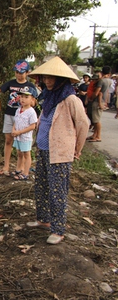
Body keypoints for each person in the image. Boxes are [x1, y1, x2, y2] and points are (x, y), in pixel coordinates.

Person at [26, 56, 88, 245]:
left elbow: (84, 124)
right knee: (42, 187)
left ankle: (58, 230)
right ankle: (43, 220)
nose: (47, 81)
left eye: (51, 78)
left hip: (59, 153)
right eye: (45, 77)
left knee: (57, 191)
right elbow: (44, 120)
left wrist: (76, 149)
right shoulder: (48, 97)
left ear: (61, 79)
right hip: (44, 150)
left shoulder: (70, 99)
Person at [0, 60, 37, 176]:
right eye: (17, 72)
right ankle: (6, 166)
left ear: (27, 73)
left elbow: (35, 101)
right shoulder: (11, 83)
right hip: (10, 114)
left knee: (22, 142)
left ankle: (21, 166)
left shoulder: (30, 86)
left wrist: (28, 103)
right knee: (8, 140)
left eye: (21, 72)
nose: (18, 74)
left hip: (24, 118)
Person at [10, 88, 38, 180]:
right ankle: (19, 169)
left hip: (25, 137)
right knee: (19, 153)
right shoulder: (18, 110)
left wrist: (19, 132)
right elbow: (16, 121)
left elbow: (32, 126)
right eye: (21, 96)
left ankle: (25, 173)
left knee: (26, 154)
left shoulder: (31, 112)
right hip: (17, 137)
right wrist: (13, 129)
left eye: (26, 97)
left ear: (32, 99)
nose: (23, 99)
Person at [87, 66, 111, 142]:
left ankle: (98, 136)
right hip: (103, 101)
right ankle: (94, 134)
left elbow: (97, 92)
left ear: (102, 72)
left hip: (97, 101)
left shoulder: (101, 81)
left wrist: (91, 98)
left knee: (96, 120)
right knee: (95, 119)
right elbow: (107, 92)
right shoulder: (109, 81)